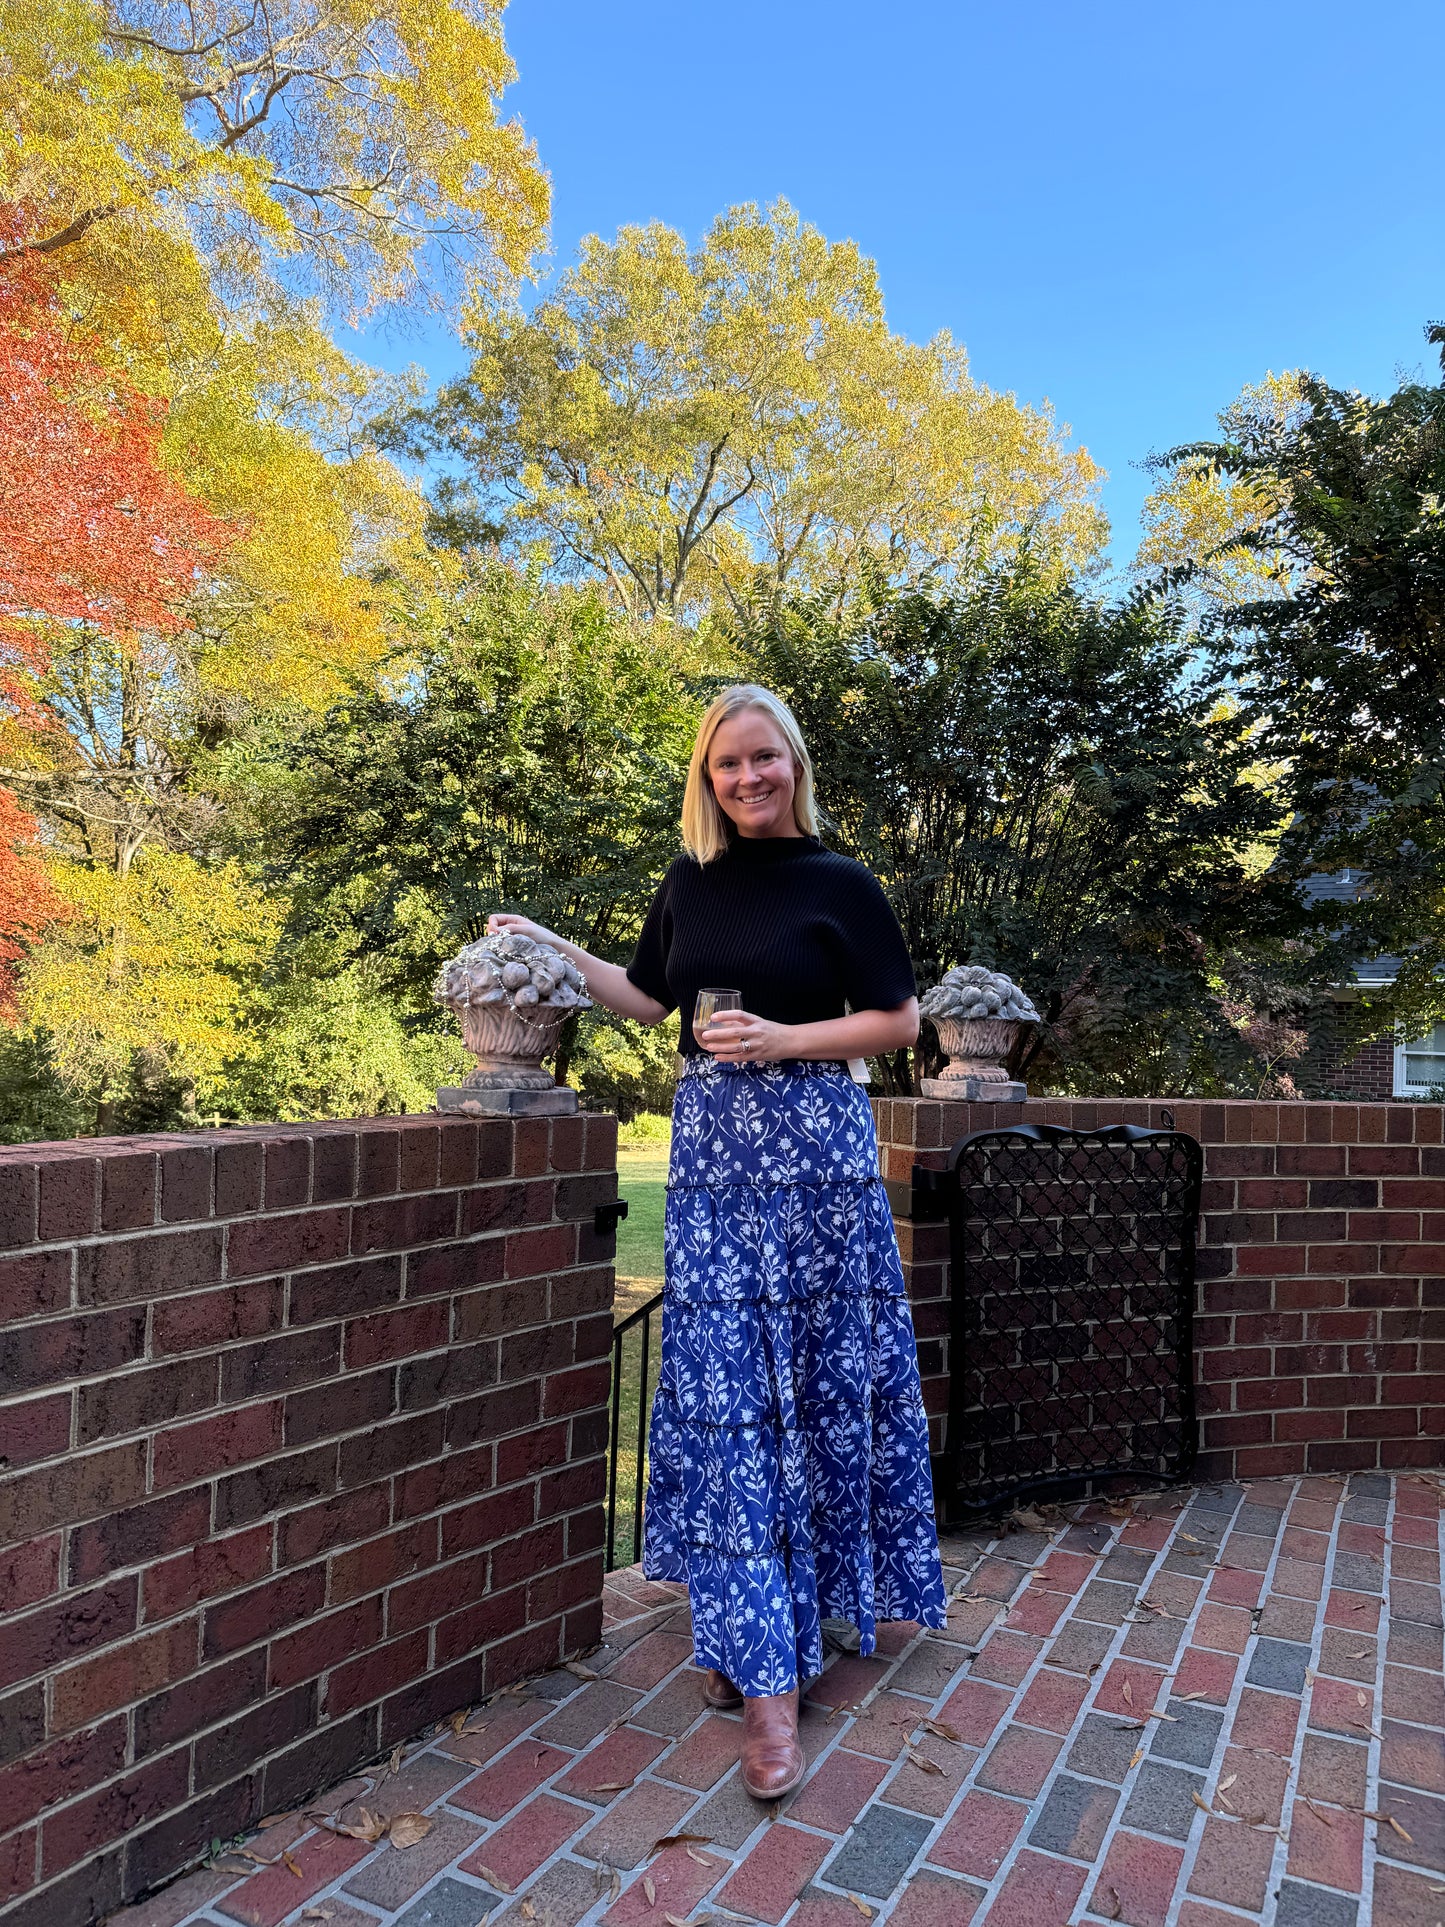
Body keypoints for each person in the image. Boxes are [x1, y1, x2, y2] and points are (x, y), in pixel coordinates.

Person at [488, 683, 946, 1799]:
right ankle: (759, 1652)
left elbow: (898, 1021)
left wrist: (787, 1035)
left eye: (761, 758)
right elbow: (647, 1001)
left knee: (814, 1382)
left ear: (791, 760)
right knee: (733, 1393)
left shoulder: (842, 882)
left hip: (819, 1155)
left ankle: (780, 1652)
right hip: (712, 1164)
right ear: (707, 777)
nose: (745, 778)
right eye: (724, 765)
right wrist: (554, 947)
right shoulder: (688, 882)